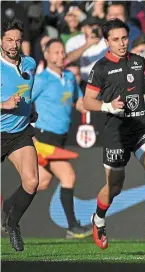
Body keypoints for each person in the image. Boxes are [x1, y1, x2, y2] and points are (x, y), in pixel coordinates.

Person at [83, 19, 145, 253]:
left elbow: (141, 85)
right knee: (114, 187)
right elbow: (87, 101)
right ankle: (99, 219)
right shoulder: (100, 68)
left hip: (141, 127)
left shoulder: (138, 61)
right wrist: (108, 107)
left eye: (124, 38)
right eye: (116, 39)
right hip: (116, 133)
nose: (122, 43)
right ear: (106, 42)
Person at [31, 38, 92, 239]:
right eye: (55, 52)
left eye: (62, 52)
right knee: (68, 176)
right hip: (43, 138)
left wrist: (92, 105)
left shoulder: (69, 77)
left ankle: (6, 214)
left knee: (40, 182)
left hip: (60, 138)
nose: (60, 55)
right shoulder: (41, 79)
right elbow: (23, 102)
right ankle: (73, 227)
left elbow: (79, 101)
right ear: (46, 55)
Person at [1, 19, 39, 251]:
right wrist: (4, 104)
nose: (14, 44)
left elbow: (27, 91)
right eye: (9, 40)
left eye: (18, 40)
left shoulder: (30, 63)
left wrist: (30, 110)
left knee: (32, 181)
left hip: (19, 132)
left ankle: (12, 223)